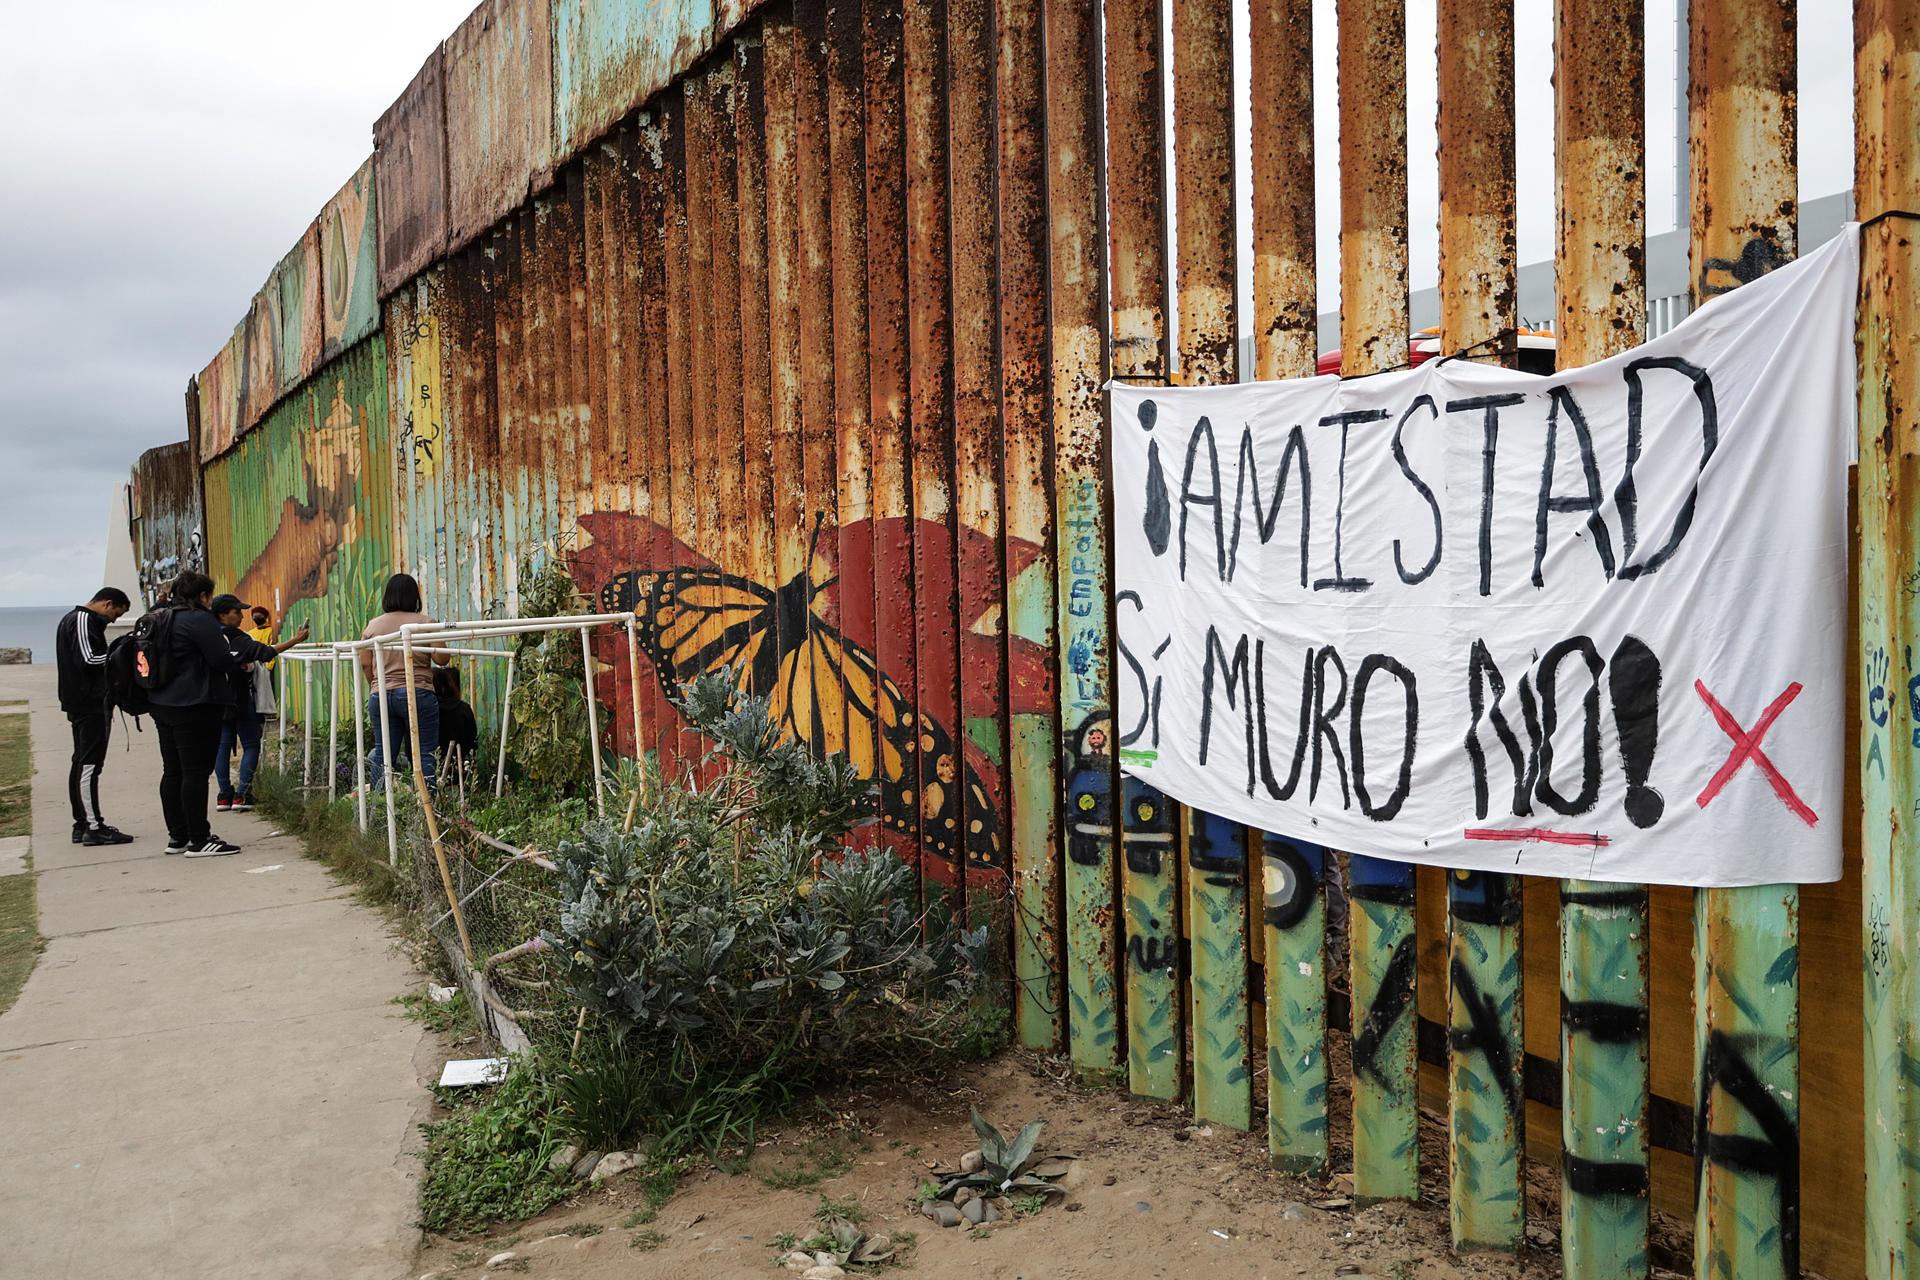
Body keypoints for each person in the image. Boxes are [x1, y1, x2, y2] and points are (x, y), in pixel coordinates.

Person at [148, 572, 306, 857]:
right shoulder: (200, 620)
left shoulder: (160, 618)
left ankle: (178, 837)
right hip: (194, 706)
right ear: (203, 597)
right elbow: (221, 659)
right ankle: (199, 839)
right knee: (195, 772)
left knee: (172, 771)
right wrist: (239, 663)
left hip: (161, 704)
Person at [210, 595, 303, 812]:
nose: (242, 616)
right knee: (251, 744)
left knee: (221, 747)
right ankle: (242, 795)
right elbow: (267, 652)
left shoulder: (210, 637)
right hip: (240, 700)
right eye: (237, 612)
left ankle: (224, 795)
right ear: (223, 614)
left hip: (217, 701)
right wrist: (296, 639)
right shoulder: (238, 638)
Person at [55, 588, 133, 846]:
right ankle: (93, 826)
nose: (111, 621)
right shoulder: (82, 620)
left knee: (82, 763)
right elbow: (89, 659)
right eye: (114, 615)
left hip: (84, 701)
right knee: (88, 765)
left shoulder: (79, 621)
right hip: (88, 703)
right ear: (108, 603)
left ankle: (82, 824)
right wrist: (121, 654)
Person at [360, 573, 449, 791]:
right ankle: (427, 806)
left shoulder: (373, 626)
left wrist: (377, 686)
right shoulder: (425, 623)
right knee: (425, 752)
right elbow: (443, 658)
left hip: (381, 694)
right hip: (417, 692)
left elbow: (364, 663)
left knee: (383, 753)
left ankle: (379, 806)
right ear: (415, 597)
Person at [433, 665, 479, 784]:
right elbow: (472, 738)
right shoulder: (463, 708)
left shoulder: (428, 711)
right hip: (460, 769)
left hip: (431, 769)